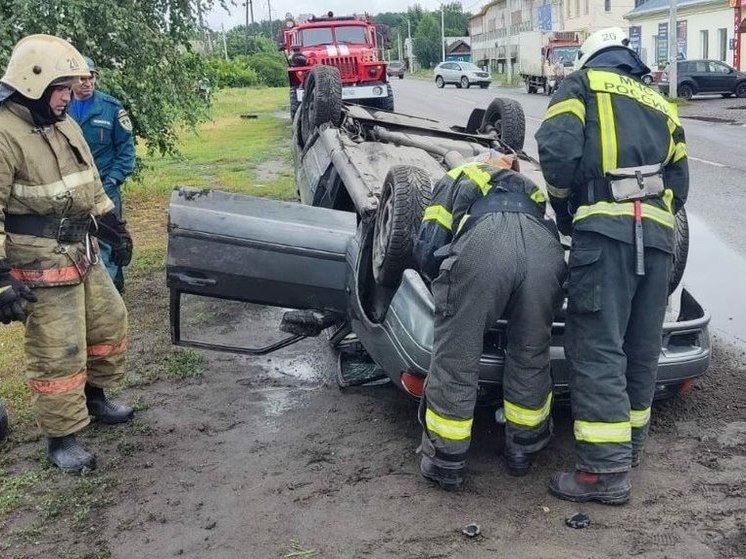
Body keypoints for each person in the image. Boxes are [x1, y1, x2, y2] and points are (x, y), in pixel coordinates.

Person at [535, 27, 689, 504]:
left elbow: (557, 156)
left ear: (590, 56)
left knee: (598, 346)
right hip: (658, 240)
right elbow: (680, 183)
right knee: (641, 347)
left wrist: (566, 212)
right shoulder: (661, 102)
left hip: (603, 236)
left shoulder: (580, 85)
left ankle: (603, 473)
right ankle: (629, 449)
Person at [0, 34, 135, 473]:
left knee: (107, 324)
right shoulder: (4, 132)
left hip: (83, 250)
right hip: (39, 261)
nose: (70, 95)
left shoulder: (63, 123)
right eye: (62, 87)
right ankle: (61, 438)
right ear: (33, 82)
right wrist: (2, 277)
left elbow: (90, 184)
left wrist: (115, 227)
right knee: (58, 350)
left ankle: (96, 400)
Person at [413, 160, 567, 490]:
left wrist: (446, 287)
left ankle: (446, 462)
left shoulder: (455, 177)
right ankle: (523, 451)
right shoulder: (530, 187)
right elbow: (547, 229)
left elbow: (428, 246)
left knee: (458, 358)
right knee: (531, 352)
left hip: (485, 245)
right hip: (544, 254)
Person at [69, 57, 135, 293]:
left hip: (106, 185)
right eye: (82, 78)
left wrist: (114, 179)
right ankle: (94, 290)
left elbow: (127, 150)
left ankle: (110, 294)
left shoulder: (111, 107)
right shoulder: (59, 107)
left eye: (91, 77)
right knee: (77, 241)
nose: (87, 83)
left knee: (108, 239)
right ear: (71, 81)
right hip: (72, 189)